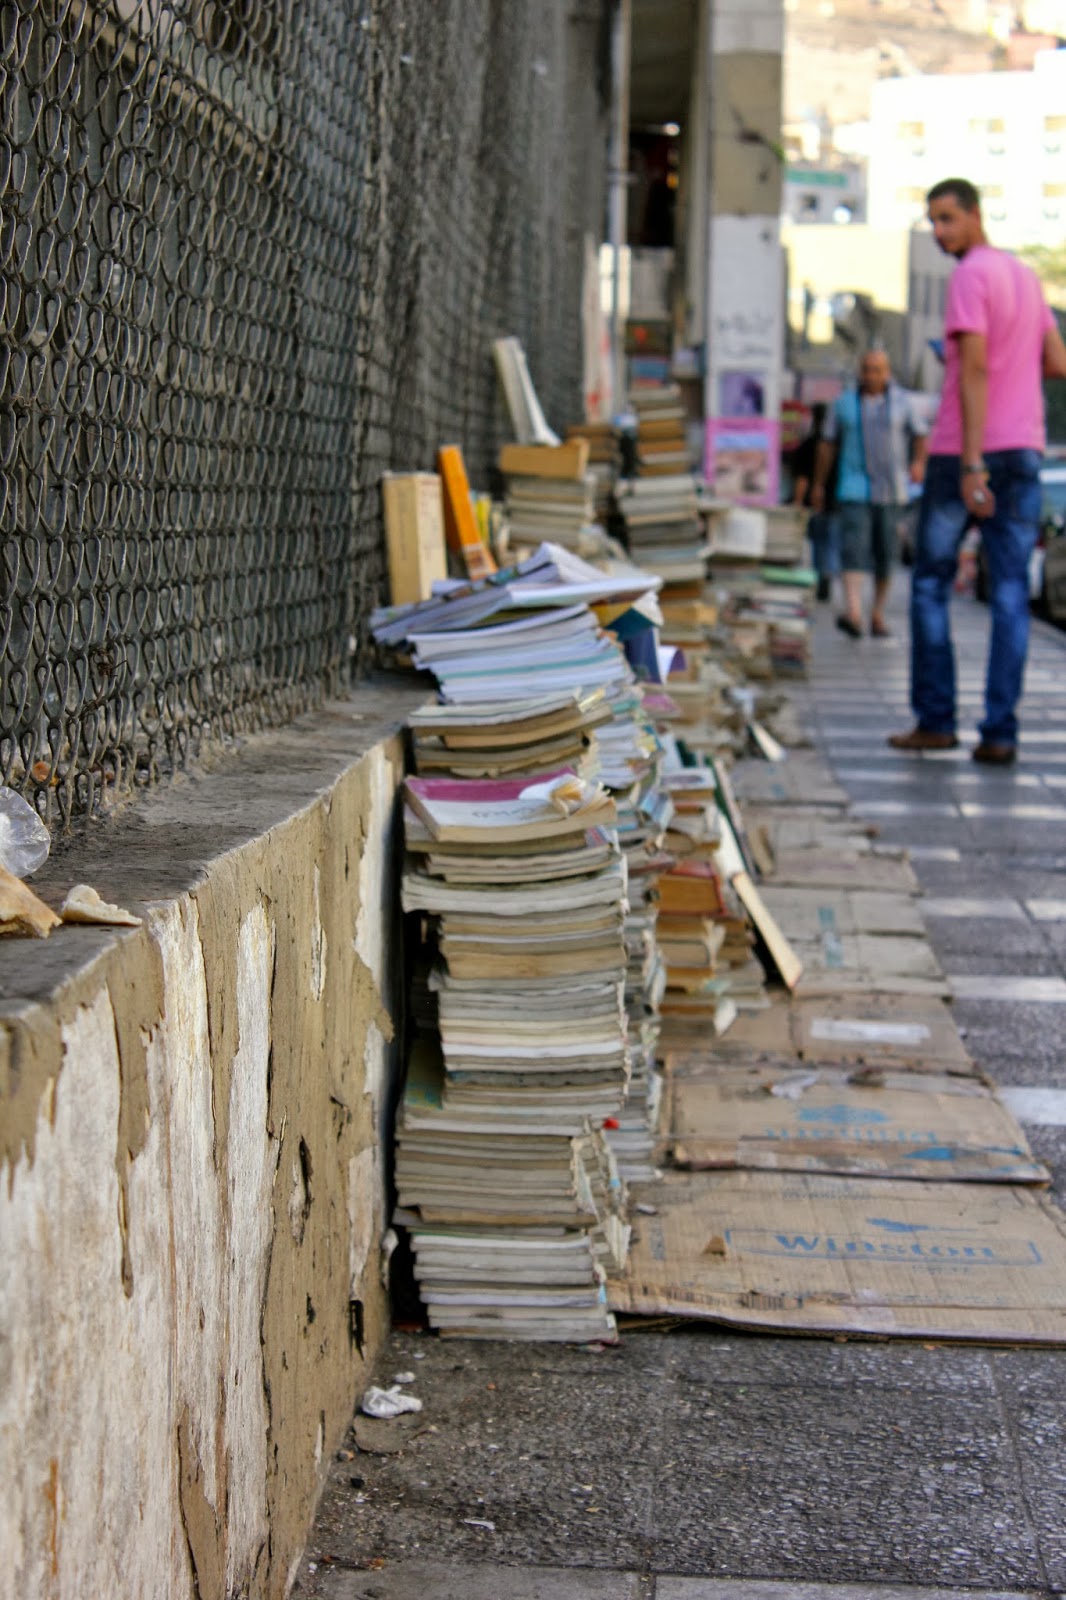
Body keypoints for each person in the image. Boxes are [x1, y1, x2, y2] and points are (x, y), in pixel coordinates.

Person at [889, 177, 1066, 764]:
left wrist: (970, 462)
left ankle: (937, 720)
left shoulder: (970, 275)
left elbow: (974, 371)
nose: (939, 233)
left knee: (931, 582)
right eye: (932, 222)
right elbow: (1056, 362)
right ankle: (1000, 731)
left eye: (947, 219)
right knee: (1010, 591)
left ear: (975, 215)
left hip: (963, 452)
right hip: (1025, 448)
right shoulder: (1025, 276)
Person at [812, 350, 929, 638]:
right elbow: (827, 444)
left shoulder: (903, 403)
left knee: (885, 554)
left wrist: (918, 462)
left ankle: (876, 612)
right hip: (854, 488)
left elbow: (920, 435)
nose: (871, 375)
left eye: (877, 369)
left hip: (892, 490)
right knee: (853, 549)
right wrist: (818, 483)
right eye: (866, 369)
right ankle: (853, 611)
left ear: (886, 372)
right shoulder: (843, 403)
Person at [788, 402, 838, 601]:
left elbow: (802, 478)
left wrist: (798, 502)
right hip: (835, 500)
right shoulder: (839, 445)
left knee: (819, 543)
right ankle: (827, 573)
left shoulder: (807, 444)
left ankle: (821, 574)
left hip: (814, 502)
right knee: (831, 541)